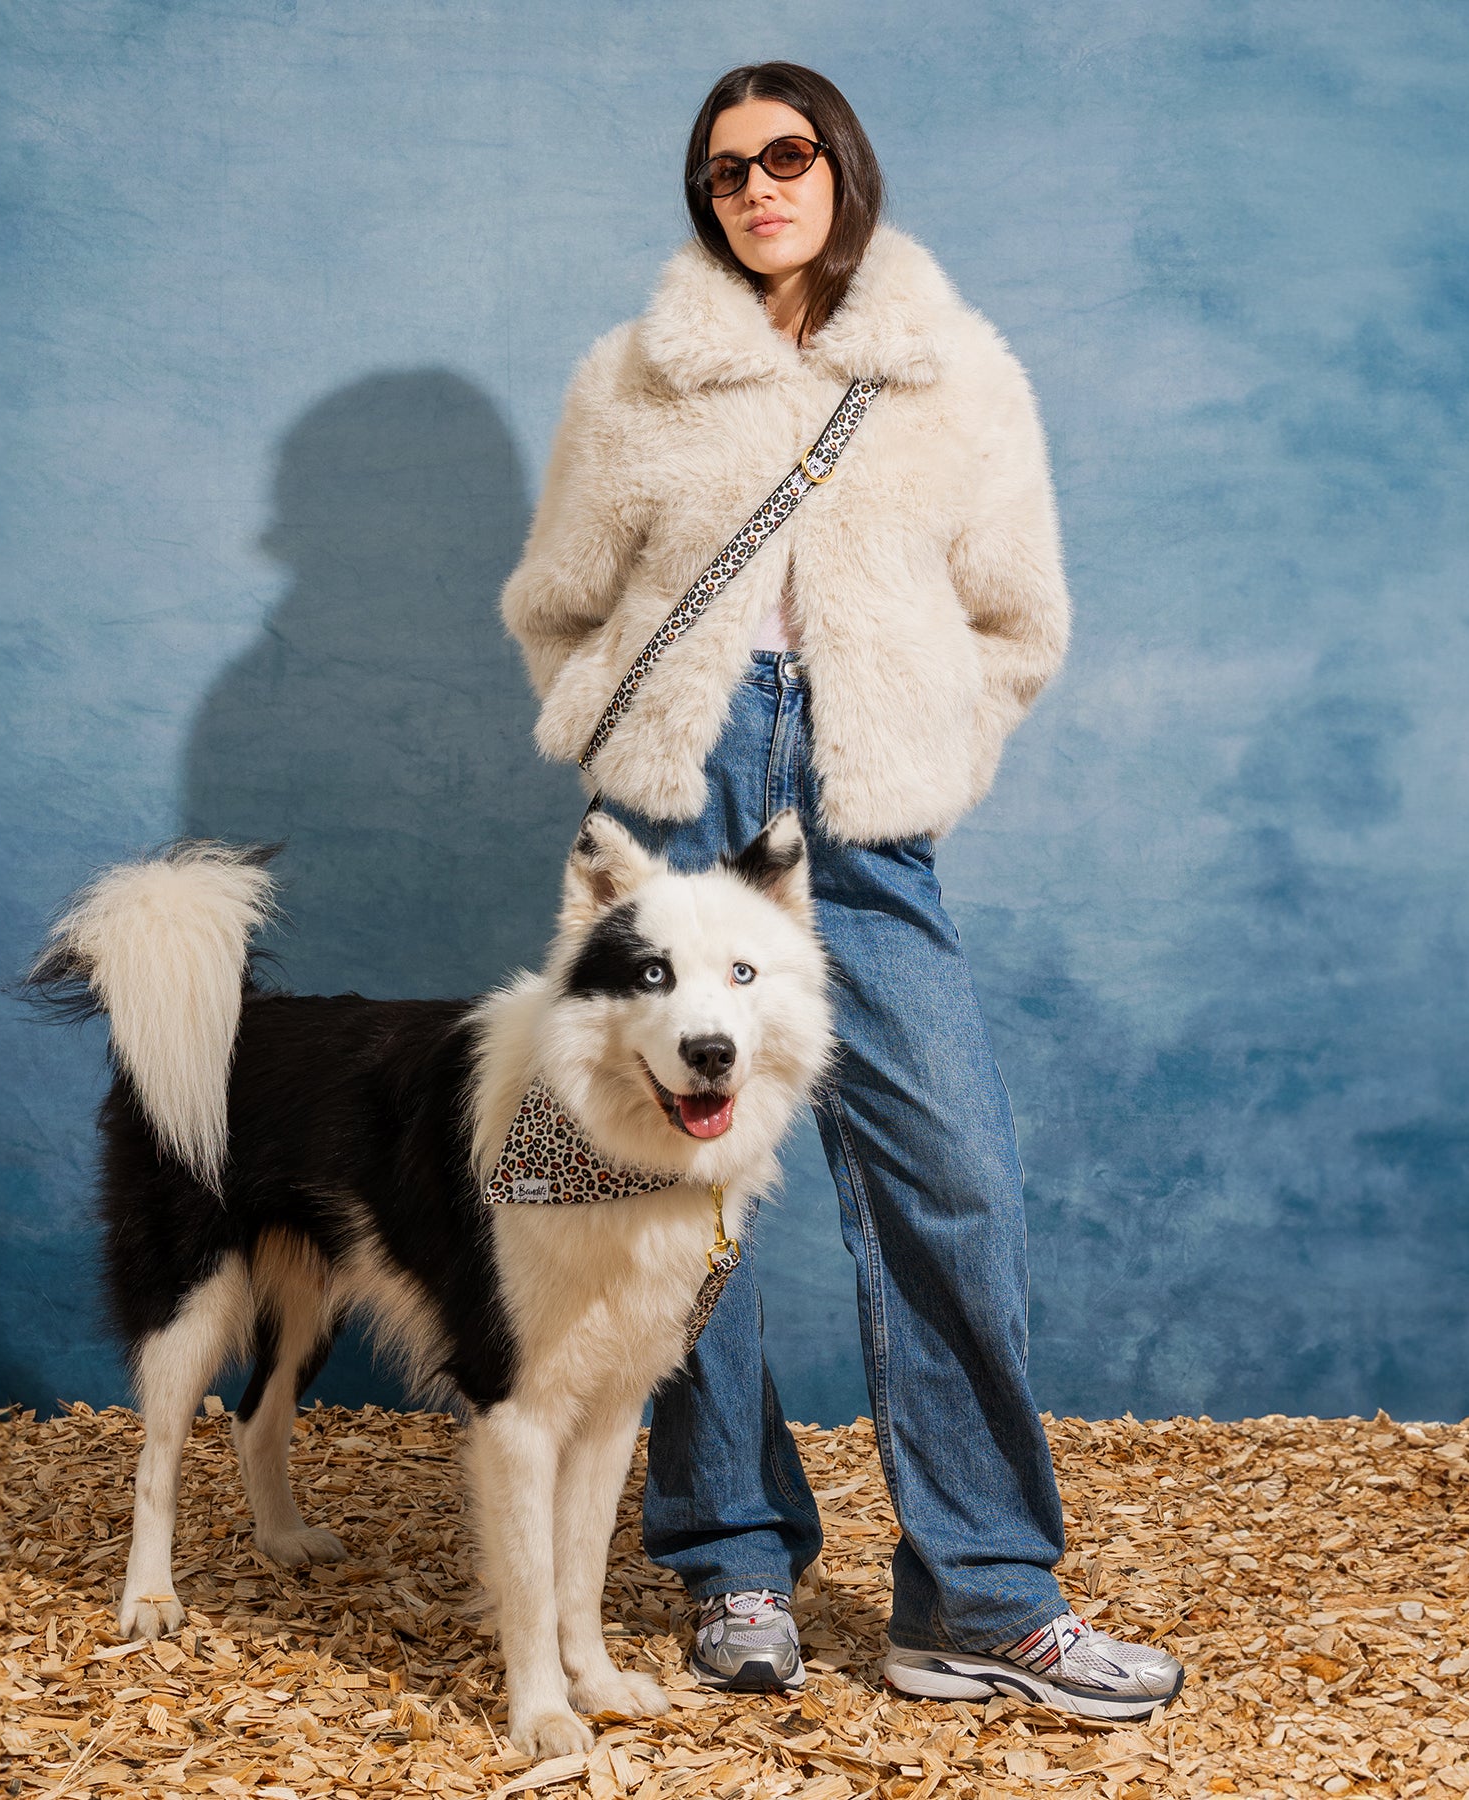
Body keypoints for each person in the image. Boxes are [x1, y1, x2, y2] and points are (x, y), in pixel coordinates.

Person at [497, 63, 1184, 1722]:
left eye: (786, 154)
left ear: (841, 167)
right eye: (724, 169)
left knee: (954, 1178)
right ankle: (731, 1563)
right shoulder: (633, 380)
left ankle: (984, 1598)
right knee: (672, 1195)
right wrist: (638, 735)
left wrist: (917, 746)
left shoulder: (958, 377)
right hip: (680, 793)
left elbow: (1021, 617)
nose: (756, 187)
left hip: (862, 815)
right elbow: (557, 599)